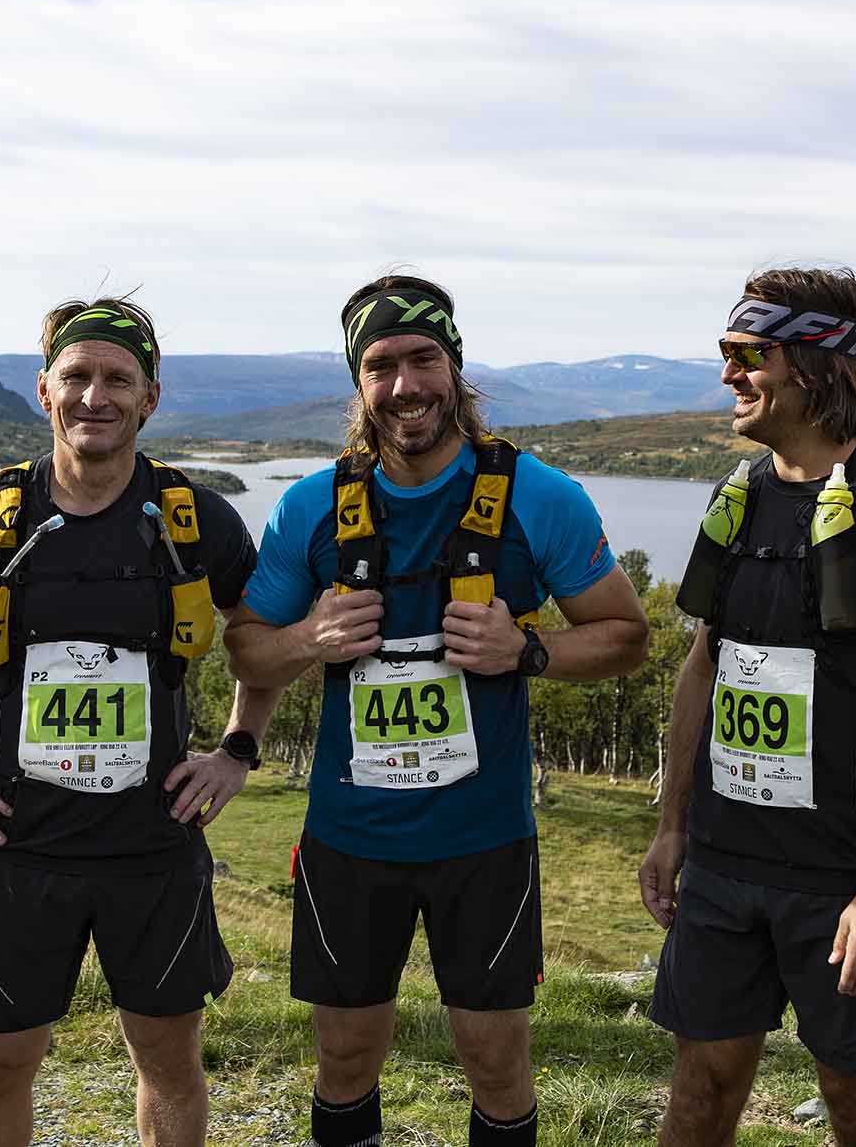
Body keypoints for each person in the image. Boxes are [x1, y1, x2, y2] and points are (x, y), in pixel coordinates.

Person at [225, 274, 648, 1147]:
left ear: (455, 367)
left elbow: (625, 634)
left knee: (495, 1058)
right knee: (344, 1055)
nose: (405, 384)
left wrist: (527, 649)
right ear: (359, 382)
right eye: (381, 365)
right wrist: (308, 636)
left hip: (483, 840)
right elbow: (247, 649)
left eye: (423, 359)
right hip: (350, 839)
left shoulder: (539, 497)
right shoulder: (310, 507)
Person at [0, 298, 266, 1147]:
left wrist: (237, 750)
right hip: (15, 845)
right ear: (44, 390)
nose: (94, 396)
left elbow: (260, 635)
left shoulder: (194, 517)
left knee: (169, 1060)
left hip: (153, 843)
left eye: (118, 379)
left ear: (150, 397)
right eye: (76, 376)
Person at [640, 266, 856, 1147]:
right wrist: (673, 826)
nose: (729, 373)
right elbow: (704, 667)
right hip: (724, 865)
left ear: (817, 364)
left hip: (843, 877)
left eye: (748, 353)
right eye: (728, 351)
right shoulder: (739, 497)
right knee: (700, 1088)